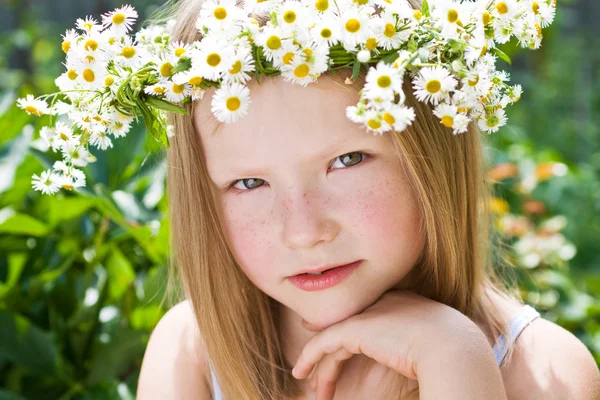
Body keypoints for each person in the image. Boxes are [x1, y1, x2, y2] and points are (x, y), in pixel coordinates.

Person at [133, 0, 600, 399]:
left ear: (431, 155)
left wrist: (453, 358)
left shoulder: (541, 372)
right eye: (250, 184)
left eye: (349, 159)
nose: (304, 232)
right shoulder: (191, 353)